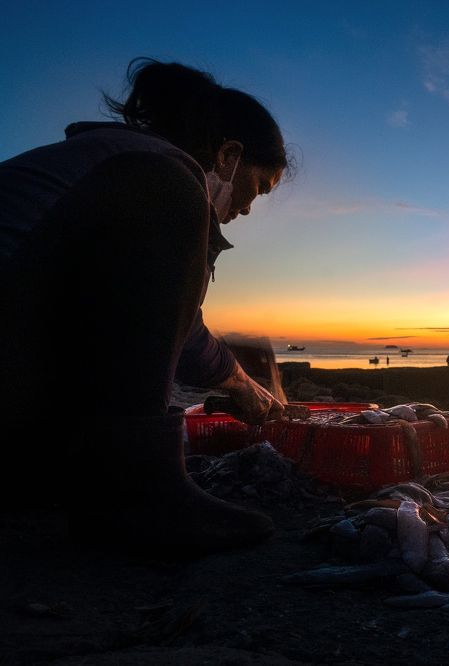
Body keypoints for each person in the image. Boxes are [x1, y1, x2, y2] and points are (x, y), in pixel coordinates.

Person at [0, 59, 291, 554]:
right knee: (168, 190)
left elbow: (149, 323)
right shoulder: (156, 173)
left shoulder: (91, 159)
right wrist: (240, 381)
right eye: (257, 189)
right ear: (228, 155)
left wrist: (232, 374)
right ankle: (134, 493)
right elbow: (177, 331)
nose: (245, 209)